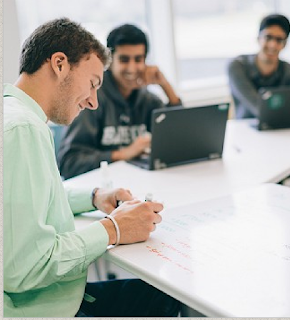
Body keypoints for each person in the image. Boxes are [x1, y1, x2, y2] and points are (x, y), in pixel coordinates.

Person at [4, 18, 181, 317]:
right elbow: (24, 268)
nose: (93, 102)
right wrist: (114, 229)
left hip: (49, 298)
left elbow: (31, 199)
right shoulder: (23, 129)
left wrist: (94, 196)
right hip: (42, 309)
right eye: (93, 84)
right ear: (59, 64)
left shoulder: (16, 116)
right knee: (168, 296)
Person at [57, 24, 181, 179]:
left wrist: (165, 86)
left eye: (138, 59)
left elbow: (181, 141)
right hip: (101, 190)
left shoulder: (149, 100)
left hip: (140, 184)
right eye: (124, 59)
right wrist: (123, 154)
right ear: (110, 61)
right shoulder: (90, 100)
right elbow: (69, 163)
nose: (131, 68)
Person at [228, 13, 290, 119]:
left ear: (284, 44)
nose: (272, 45)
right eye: (268, 37)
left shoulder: (288, 70)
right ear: (258, 38)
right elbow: (259, 108)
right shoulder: (237, 67)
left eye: (279, 40)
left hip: (281, 129)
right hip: (246, 131)